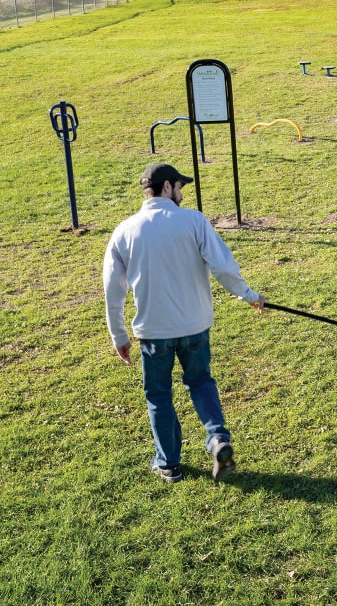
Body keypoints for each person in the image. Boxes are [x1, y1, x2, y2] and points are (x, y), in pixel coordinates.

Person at [103, 163, 264, 483]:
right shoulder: (193, 220)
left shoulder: (124, 231)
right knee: (201, 382)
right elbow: (222, 266)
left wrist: (118, 335)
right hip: (194, 326)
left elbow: (112, 290)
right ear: (166, 187)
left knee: (159, 396)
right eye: (179, 186)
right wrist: (248, 294)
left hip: (153, 332)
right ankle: (218, 439)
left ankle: (169, 464)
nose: (182, 192)